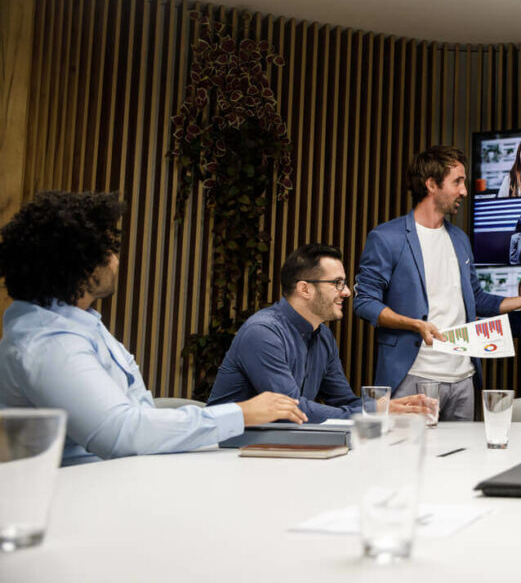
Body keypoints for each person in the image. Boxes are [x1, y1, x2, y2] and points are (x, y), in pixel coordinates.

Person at [0, 191, 306, 466]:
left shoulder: (78, 323)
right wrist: (241, 413)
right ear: (81, 264)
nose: (117, 260)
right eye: (109, 249)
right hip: (79, 499)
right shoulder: (48, 342)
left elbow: (138, 416)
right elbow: (120, 433)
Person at [355, 146, 521, 420]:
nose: (465, 191)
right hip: (413, 379)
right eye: (457, 182)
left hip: (464, 380)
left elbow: (477, 299)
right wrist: (414, 324)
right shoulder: (387, 238)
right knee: (408, 461)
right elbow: (364, 303)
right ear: (431, 184)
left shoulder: (459, 239)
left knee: (462, 461)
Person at [207, 244, 430, 422]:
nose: (346, 292)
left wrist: (385, 408)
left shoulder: (323, 336)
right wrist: (369, 413)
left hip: (280, 449)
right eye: (337, 283)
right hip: (230, 453)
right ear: (305, 289)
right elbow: (291, 411)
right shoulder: (262, 333)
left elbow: (342, 400)